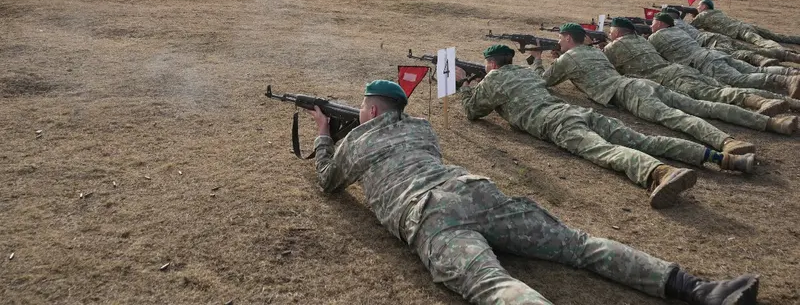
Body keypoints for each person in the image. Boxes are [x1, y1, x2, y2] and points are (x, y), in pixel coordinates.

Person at [305, 79, 760, 305]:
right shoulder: (422, 128)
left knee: (496, 285)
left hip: (429, 216)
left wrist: (326, 133)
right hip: (472, 189)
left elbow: (329, 181)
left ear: (368, 109)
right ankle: (700, 289)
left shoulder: (357, 142)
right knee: (577, 246)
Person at [456, 44, 754, 207]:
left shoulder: (493, 78)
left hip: (556, 124)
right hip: (577, 111)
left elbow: (472, 111)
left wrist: (463, 85)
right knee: (644, 139)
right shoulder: (526, 74)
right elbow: (536, 77)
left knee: (605, 152)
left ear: (491, 64)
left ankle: (659, 172)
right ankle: (725, 158)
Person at [527, 23, 755, 157]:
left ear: (568, 38)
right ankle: (763, 118)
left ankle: (726, 142)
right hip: (640, 83)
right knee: (700, 105)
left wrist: (537, 59)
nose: (558, 42)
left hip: (628, 92)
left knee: (676, 117)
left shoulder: (568, 59)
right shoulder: (595, 52)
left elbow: (542, 81)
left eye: (559, 38)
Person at [603, 16, 797, 135]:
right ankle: (789, 97)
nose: (609, 33)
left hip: (675, 76)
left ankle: (765, 106)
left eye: (610, 31)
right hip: (687, 67)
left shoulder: (622, 45)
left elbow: (607, 66)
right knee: (727, 88)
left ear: (618, 32)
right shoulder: (648, 40)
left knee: (717, 98)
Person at [648, 13, 800, 98]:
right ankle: (790, 73)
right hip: (712, 53)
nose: (651, 26)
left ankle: (784, 80)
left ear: (661, 24)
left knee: (739, 79)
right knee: (755, 71)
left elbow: (651, 52)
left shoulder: (655, 37)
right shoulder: (678, 30)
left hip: (704, 62)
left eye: (653, 23)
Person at [693, 0, 800, 54]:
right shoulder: (717, 12)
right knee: (778, 36)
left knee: (761, 42)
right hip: (745, 25)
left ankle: (784, 52)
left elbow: (690, 27)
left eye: (699, 5)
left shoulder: (702, 16)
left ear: (704, 6)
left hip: (741, 31)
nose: (697, 7)